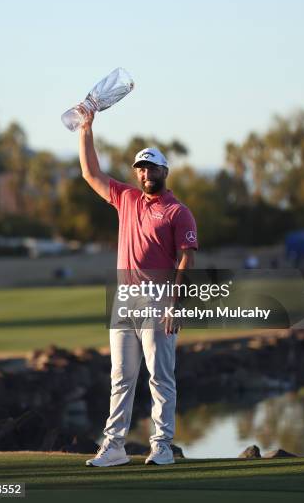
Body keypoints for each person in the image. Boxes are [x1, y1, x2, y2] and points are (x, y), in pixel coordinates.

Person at [78, 109, 198, 468]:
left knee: (160, 377)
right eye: (140, 169)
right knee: (121, 377)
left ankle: (161, 446)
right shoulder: (126, 198)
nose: (145, 174)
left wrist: (176, 306)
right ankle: (113, 446)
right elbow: (90, 173)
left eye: (151, 168)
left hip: (160, 300)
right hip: (124, 300)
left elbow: (186, 260)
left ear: (165, 172)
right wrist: (86, 129)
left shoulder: (178, 212)